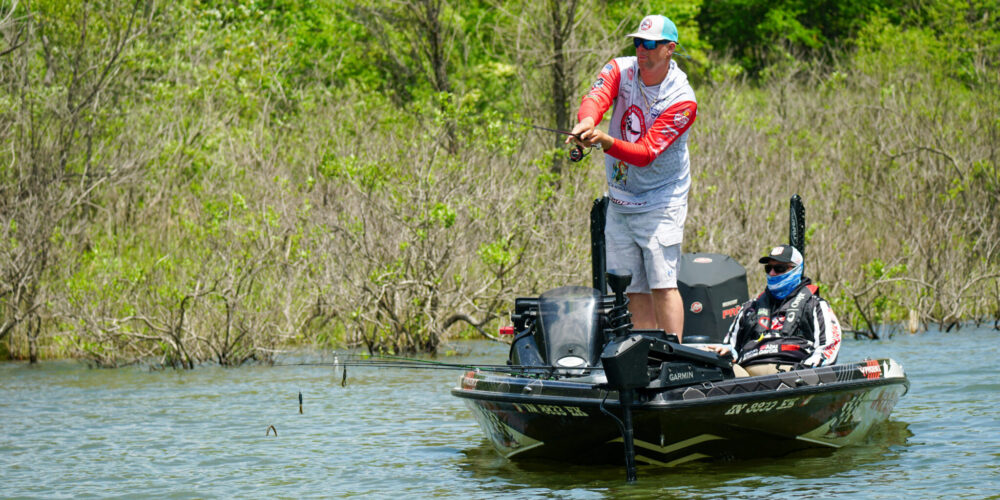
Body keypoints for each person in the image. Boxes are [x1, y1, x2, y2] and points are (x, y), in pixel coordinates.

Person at [568, 14, 697, 340]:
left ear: (670, 49)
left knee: (662, 283)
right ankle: (641, 358)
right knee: (632, 286)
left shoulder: (682, 100)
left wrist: (605, 141)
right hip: (622, 197)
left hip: (661, 198)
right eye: (638, 42)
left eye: (651, 44)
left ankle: (672, 358)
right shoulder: (618, 68)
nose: (642, 49)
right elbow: (595, 98)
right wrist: (587, 122)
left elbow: (646, 153)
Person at [707, 244, 843, 377]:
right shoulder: (749, 308)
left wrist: (804, 373)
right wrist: (724, 352)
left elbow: (829, 346)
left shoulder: (815, 305)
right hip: (747, 377)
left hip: (792, 374)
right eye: (768, 268)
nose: (772, 273)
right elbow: (730, 347)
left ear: (796, 269)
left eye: (779, 268)